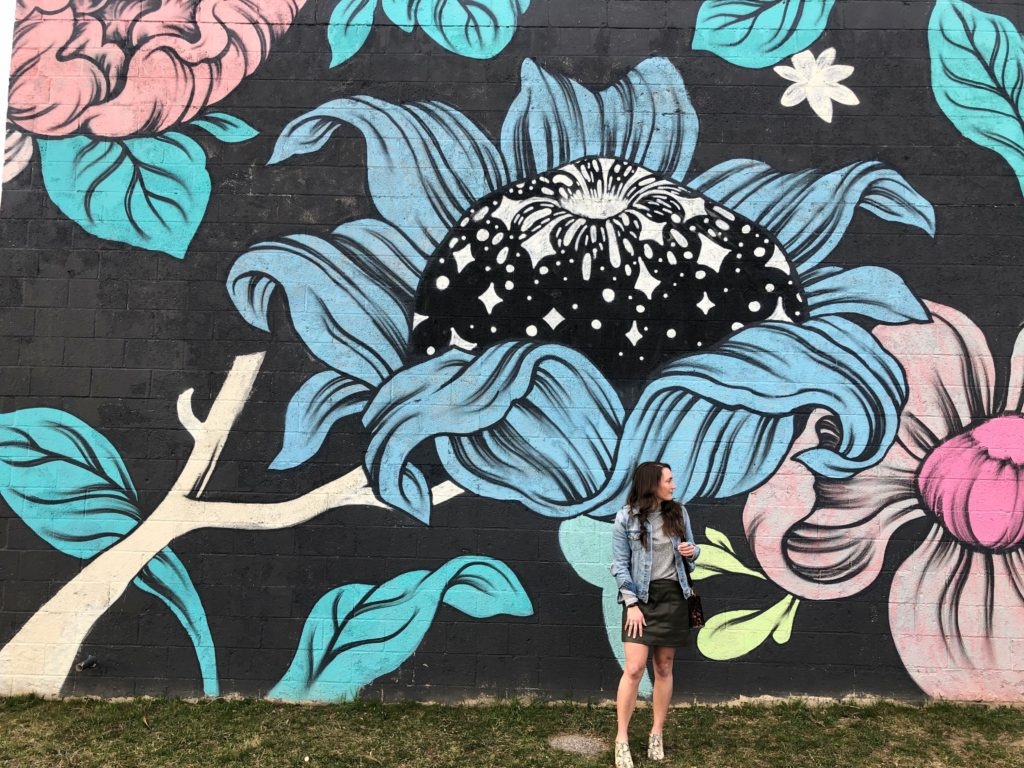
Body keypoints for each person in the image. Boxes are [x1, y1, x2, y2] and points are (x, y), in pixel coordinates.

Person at [609, 461, 700, 768]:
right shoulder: (626, 518)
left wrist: (692, 552)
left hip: (674, 596)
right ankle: (621, 738)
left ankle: (656, 733)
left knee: (664, 667)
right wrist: (632, 604)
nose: (674, 485)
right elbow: (619, 565)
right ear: (653, 484)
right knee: (634, 669)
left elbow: (693, 551)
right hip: (641, 599)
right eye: (669, 481)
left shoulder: (679, 512)